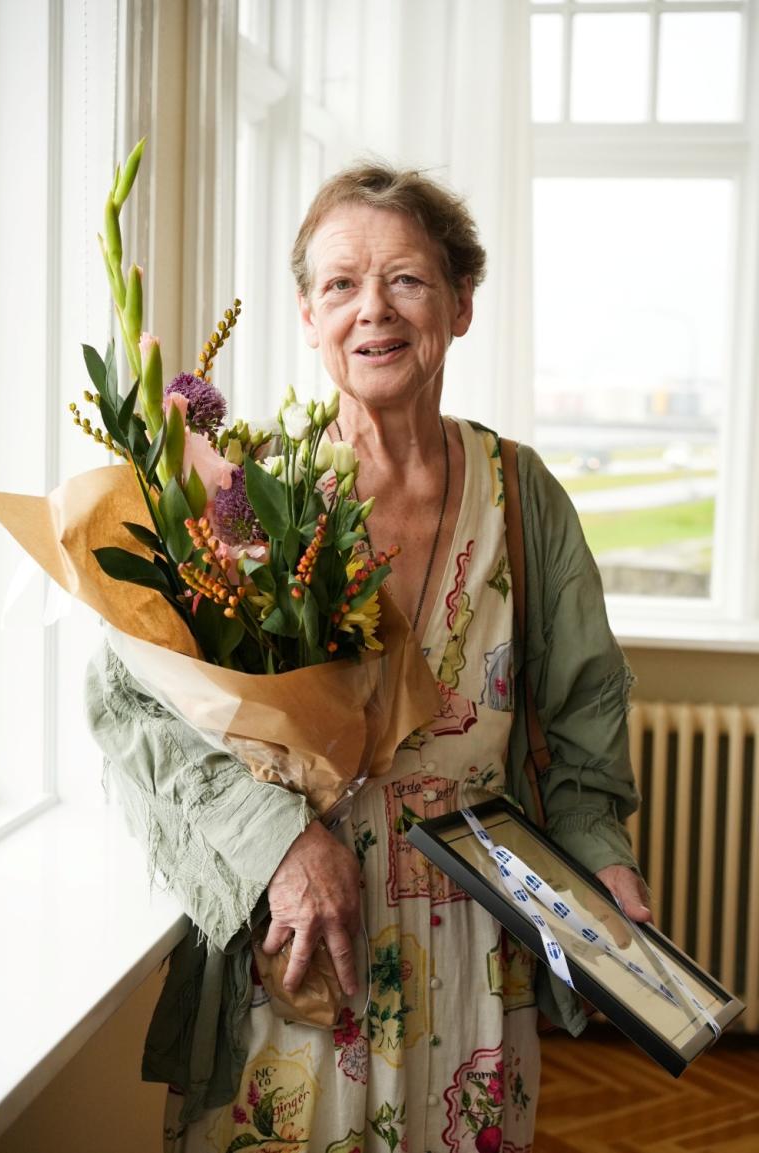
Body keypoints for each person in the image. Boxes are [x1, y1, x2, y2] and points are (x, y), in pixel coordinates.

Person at [86, 162, 650, 1153]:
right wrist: (280, 846)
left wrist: (602, 859)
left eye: (407, 280)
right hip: (301, 942)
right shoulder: (244, 494)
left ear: (462, 304)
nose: (372, 310)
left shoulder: (524, 497)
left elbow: (582, 715)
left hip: (479, 953)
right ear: (307, 314)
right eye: (341, 283)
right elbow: (136, 707)